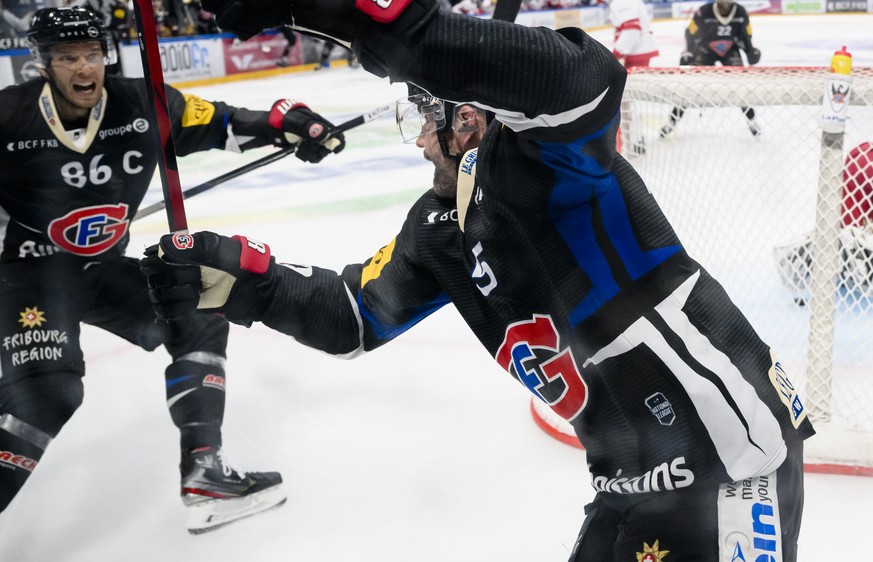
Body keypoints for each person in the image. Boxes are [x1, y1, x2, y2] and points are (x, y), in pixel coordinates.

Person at [142, 1, 814, 560]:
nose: (416, 143)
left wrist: (343, 12)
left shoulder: (552, 168)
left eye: (422, 123)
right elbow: (349, 315)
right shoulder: (440, 229)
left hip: (729, 460)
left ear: (466, 119)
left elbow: (588, 75)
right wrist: (236, 277)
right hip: (627, 480)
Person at [0, 6, 344, 534]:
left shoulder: (142, 104)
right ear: (42, 64)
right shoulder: (8, 115)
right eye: (68, 58)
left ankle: (204, 473)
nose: (84, 68)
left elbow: (227, 122)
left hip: (100, 270)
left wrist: (290, 126)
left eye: (92, 54)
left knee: (200, 314)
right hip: (29, 273)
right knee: (49, 395)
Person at [660, 0, 762, 138]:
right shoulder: (704, 11)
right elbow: (691, 34)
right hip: (705, 50)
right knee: (689, 86)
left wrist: (750, 51)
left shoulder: (741, 12)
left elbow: (745, 36)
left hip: (730, 50)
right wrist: (688, 52)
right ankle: (672, 121)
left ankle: (752, 120)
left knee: (740, 85)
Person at [608, 0, 658, 68]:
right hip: (635, 51)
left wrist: (616, 53)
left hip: (634, 52)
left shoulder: (622, 1)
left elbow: (632, 31)